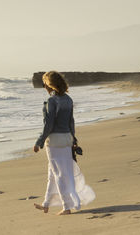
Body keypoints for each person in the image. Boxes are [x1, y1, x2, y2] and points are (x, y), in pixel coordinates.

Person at [33, 71, 95, 215]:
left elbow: (48, 125)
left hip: (55, 141)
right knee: (53, 173)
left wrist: (39, 142)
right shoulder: (68, 99)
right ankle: (46, 204)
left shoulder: (52, 101)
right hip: (67, 139)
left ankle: (67, 207)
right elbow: (71, 122)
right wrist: (73, 139)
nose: (44, 87)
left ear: (49, 84)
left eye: (44, 83)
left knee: (59, 174)